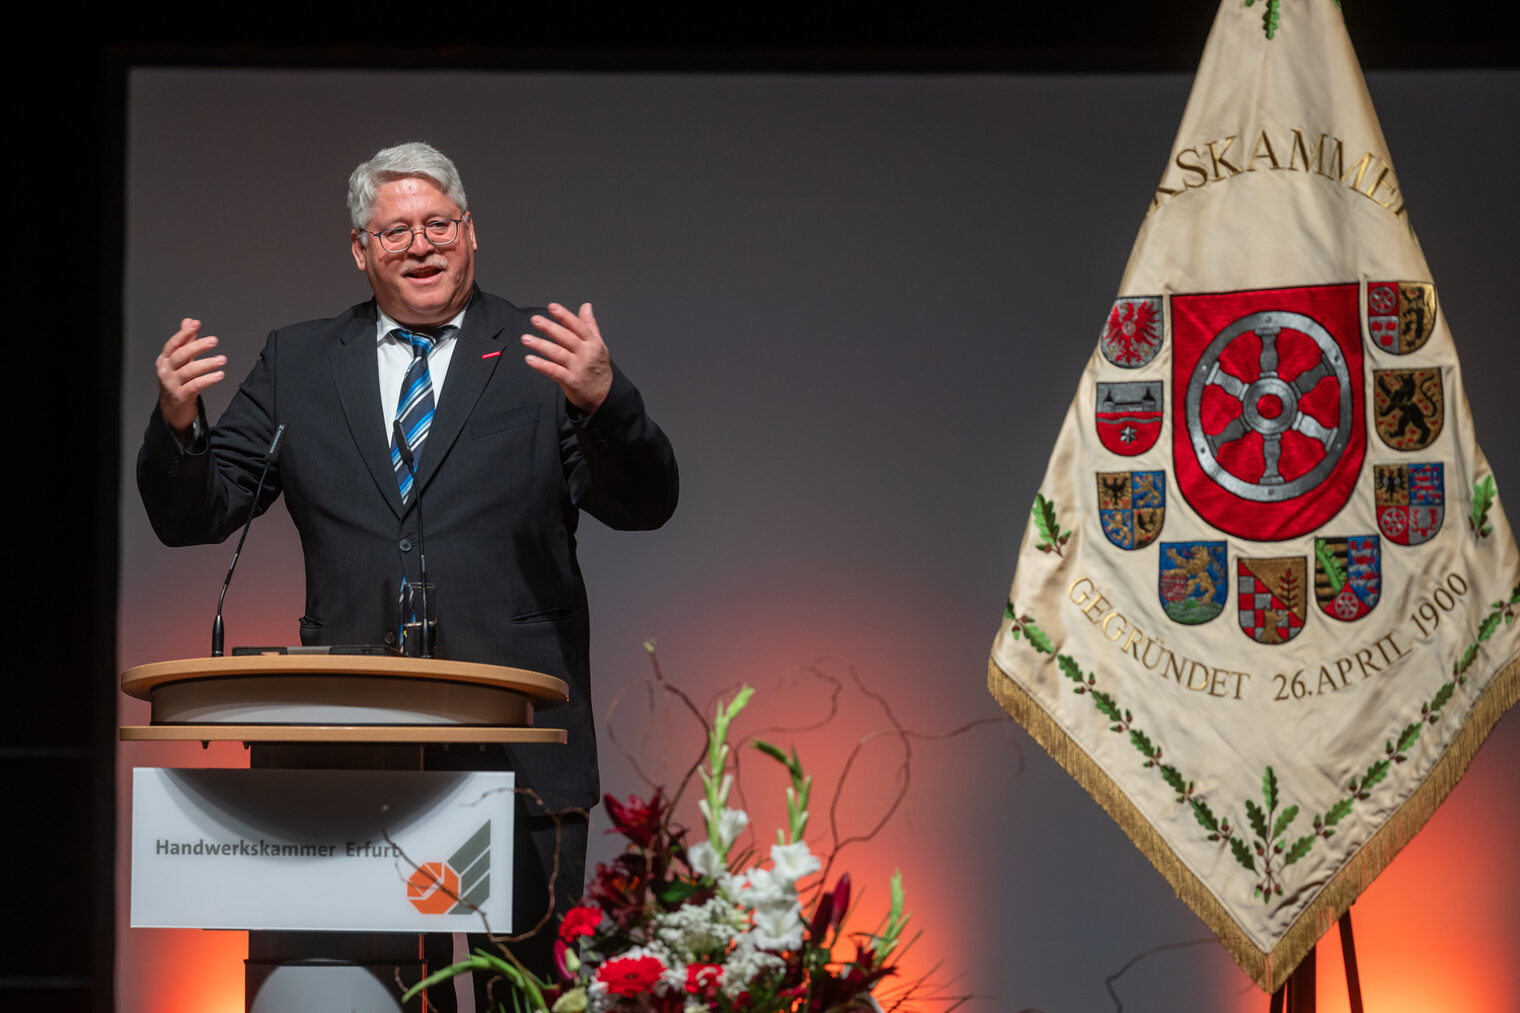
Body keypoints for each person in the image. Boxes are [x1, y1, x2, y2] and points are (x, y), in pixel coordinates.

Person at [137, 141, 679, 1007]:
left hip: (522, 752)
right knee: (376, 995)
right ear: (361, 250)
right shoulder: (301, 363)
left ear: (471, 234)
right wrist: (176, 424)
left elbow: (644, 502)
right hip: (356, 761)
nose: (421, 245)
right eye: (395, 231)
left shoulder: (541, 356)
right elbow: (198, 511)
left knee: (526, 997)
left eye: (439, 225)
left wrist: (607, 401)